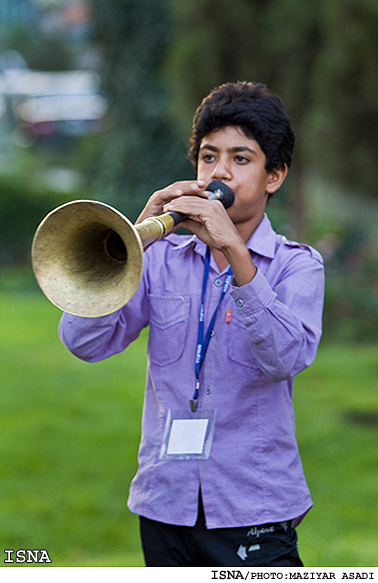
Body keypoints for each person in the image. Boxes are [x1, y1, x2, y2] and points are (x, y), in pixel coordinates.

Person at [59, 81, 324, 567]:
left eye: (241, 159)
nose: (219, 171)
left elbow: (287, 357)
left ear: (275, 175)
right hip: (165, 500)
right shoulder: (161, 260)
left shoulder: (296, 265)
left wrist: (236, 254)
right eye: (208, 157)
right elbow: (83, 342)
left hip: (253, 503)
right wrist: (132, 245)